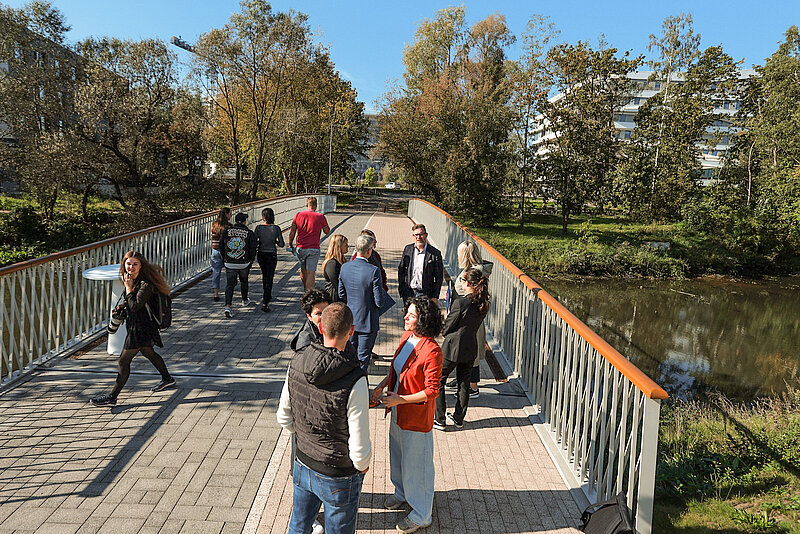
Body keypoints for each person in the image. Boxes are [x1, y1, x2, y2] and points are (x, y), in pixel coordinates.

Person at [277, 302, 371, 534]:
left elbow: (283, 416)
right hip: (337, 472)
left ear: (320, 328)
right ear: (352, 331)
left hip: (303, 461)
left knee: (298, 526)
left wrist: (303, 437)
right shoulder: (355, 378)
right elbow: (358, 440)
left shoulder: (296, 361)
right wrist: (362, 465)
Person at [370, 297, 443, 534]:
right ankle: (402, 493)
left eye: (410, 316)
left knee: (417, 466)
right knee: (398, 457)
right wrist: (382, 386)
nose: (405, 318)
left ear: (422, 320)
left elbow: (432, 390)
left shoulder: (432, 350)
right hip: (398, 412)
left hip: (415, 417)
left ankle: (422, 514)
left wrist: (399, 399)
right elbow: (397, 370)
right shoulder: (406, 338)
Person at [91, 251, 175, 407]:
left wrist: (128, 288)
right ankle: (168, 379)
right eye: (128, 264)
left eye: (135, 264)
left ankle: (112, 397)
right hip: (138, 326)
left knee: (123, 361)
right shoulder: (132, 280)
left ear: (141, 265)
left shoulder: (146, 284)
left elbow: (135, 306)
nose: (131, 267)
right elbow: (131, 305)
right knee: (148, 352)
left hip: (141, 328)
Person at [434, 268, 490, 431]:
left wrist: (444, 328)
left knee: (439, 380)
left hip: (452, 347)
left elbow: (447, 327)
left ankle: (440, 418)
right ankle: (459, 418)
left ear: (467, 283)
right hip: (470, 346)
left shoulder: (460, 303)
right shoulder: (483, 303)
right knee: (463, 382)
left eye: (462, 280)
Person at [449, 240, 493, 398]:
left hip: (469, 318)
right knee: (464, 350)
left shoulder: (474, 273)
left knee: (470, 352)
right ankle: (462, 380)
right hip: (467, 316)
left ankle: (472, 387)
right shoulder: (473, 270)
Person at [338, 234, 383, 370]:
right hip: (367, 322)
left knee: (348, 355)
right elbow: (379, 301)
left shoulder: (344, 267)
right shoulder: (374, 271)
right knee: (363, 359)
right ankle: (360, 385)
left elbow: (341, 294)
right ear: (369, 251)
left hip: (350, 320)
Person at [288, 197, 331, 291]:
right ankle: (309, 292)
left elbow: (292, 231)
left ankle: (305, 289)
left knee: (303, 270)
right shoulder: (320, 216)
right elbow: (327, 231)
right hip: (314, 248)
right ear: (316, 206)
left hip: (301, 248)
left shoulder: (298, 215)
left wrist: (290, 244)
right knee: (311, 272)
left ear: (306, 205)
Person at [221, 212, 258, 318]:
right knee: (244, 280)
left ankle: (228, 306)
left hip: (229, 262)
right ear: (245, 221)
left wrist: (224, 258)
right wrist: (251, 260)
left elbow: (221, 245)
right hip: (243, 263)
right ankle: (244, 300)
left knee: (230, 284)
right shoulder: (249, 232)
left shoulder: (227, 231)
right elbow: (253, 248)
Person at [398, 224, 444, 304]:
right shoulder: (408, 249)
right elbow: (401, 270)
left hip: (426, 295)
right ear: (413, 236)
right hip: (409, 294)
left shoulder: (435, 253)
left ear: (426, 235)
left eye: (421, 234)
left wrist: (435, 296)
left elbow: (439, 277)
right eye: (416, 235)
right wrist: (402, 289)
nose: (418, 237)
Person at [255, 207, 285, 312]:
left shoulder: (258, 228)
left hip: (261, 253)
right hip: (271, 253)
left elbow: (255, 242)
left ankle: (266, 294)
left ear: (263, 217)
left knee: (264, 274)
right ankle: (266, 300)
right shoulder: (276, 228)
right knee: (270, 276)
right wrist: (275, 242)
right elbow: (281, 244)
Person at [210, 207, 231, 302]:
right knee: (229, 271)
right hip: (226, 251)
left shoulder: (214, 225)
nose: (231, 215)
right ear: (226, 214)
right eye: (230, 213)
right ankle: (229, 290)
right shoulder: (228, 226)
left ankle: (215, 294)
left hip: (215, 250)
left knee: (216, 271)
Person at [322, 234, 348, 303]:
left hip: (340, 296)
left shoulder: (341, 260)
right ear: (339, 246)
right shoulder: (332, 264)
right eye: (345, 245)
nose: (348, 246)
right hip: (334, 298)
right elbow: (336, 283)